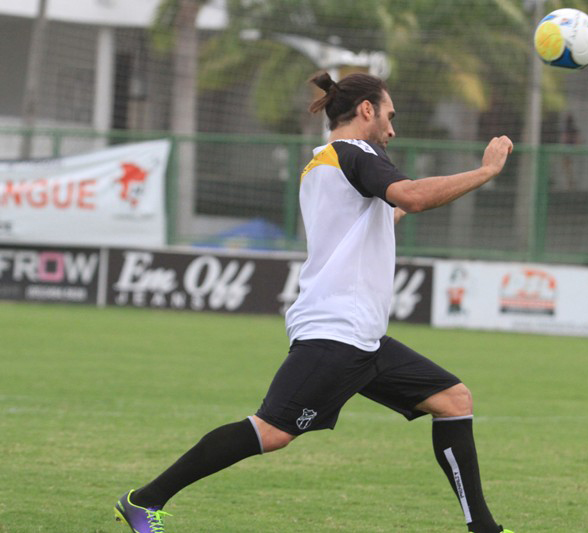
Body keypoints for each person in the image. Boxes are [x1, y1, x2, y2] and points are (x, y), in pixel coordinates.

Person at [114, 71, 514, 533]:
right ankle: (144, 501)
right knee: (271, 431)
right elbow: (414, 197)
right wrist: (485, 172)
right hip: (335, 332)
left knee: (453, 399)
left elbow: (385, 213)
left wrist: (406, 206)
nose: (392, 129)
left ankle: (483, 527)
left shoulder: (324, 161)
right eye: (389, 115)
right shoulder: (356, 152)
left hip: (361, 335)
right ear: (367, 109)